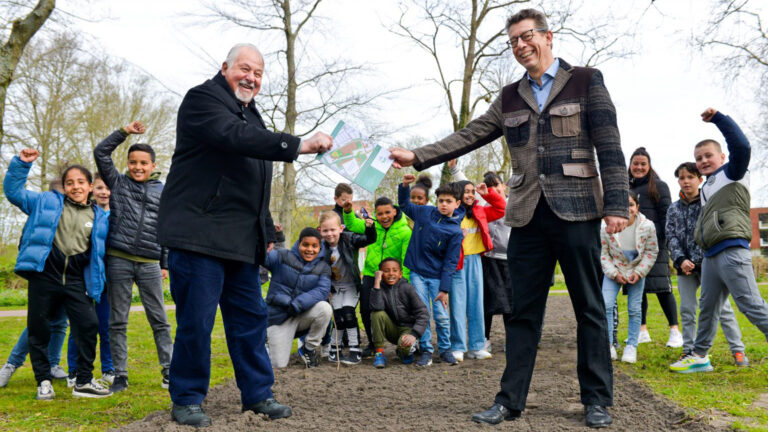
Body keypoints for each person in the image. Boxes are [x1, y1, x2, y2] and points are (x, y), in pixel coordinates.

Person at [389, 8, 628, 428]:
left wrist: (617, 205)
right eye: (513, 40)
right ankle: (510, 401)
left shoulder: (587, 80)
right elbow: (470, 134)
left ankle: (596, 400)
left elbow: (609, 146)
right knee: (522, 313)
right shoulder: (510, 96)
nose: (520, 45)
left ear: (548, 36)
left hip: (577, 211)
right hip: (527, 216)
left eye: (526, 36)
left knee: (589, 308)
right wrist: (418, 155)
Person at [157, 43, 332, 427]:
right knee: (197, 322)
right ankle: (187, 398)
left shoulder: (250, 114)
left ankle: (257, 394)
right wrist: (298, 145)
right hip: (199, 235)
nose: (251, 78)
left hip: (239, 241)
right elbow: (233, 137)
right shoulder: (202, 100)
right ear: (225, 68)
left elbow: (251, 179)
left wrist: (265, 228)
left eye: (258, 73)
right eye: (245, 69)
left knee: (251, 320)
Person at [4, 149, 111, 400]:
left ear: (90, 186)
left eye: (81, 182)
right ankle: (43, 381)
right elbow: (13, 192)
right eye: (70, 183)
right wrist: (21, 164)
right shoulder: (46, 202)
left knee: (89, 324)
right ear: (64, 187)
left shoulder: (99, 216)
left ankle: (83, 381)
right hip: (45, 276)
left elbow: (98, 252)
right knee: (39, 329)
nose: (75, 187)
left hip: (75, 280)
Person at [670, 108, 767, 373]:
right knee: (708, 308)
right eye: (698, 158)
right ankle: (700, 356)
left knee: (750, 304)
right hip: (710, 255)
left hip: (732, 249)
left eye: (708, 155)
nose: (703, 160)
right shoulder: (707, 187)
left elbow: (742, 146)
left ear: (722, 156)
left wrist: (719, 119)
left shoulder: (733, 172)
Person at [93, 121, 173, 393]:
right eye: (133, 162)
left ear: (153, 165)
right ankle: (120, 375)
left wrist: (164, 263)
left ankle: (169, 370)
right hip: (119, 260)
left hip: (150, 263)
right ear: (127, 164)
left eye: (143, 163)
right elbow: (101, 152)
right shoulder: (118, 183)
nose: (138, 167)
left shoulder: (163, 191)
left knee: (159, 319)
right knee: (118, 320)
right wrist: (124, 132)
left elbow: (165, 229)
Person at [665, 162, 747, 365]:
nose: (686, 181)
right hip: (684, 268)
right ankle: (689, 350)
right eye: (682, 178)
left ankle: (738, 350)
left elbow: (712, 230)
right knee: (687, 309)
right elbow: (670, 236)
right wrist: (681, 260)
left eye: (690, 177)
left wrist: (700, 257)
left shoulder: (708, 202)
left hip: (709, 263)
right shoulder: (673, 209)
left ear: (700, 179)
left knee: (723, 309)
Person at [398, 175, 464, 367]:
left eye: (448, 201)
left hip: (437, 278)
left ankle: (445, 350)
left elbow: (451, 262)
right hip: (418, 273)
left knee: (441, 316)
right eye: (441, 200)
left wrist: (444, 289)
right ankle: (426, 350)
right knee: (422, 313)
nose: (444, 204)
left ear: (457, 203)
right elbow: (405, 205)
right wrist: (404, 186)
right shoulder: (425, 212)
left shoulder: (456, 232)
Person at [342, 196, 412, 358]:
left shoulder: (405, 231)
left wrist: (404, 280)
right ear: (375, 214)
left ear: (394, 211)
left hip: (392, 277)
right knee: (365, 309)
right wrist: (348, 211)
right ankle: (373, 344)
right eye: (380, 214)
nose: (384, 217)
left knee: (395, 310)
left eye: (387, 212)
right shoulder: (371, 225)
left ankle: (405, 341)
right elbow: (352, 224)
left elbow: (406, 259)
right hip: (370, 274)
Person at [627, 147, 682, 348]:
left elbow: (667, 217)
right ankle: (642, 331)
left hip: (655, 246)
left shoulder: (659, 186)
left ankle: (675, 331)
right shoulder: (626, 188)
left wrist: (658, 240)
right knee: (637, 288)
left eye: (643, 164)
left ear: (649, 166)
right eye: (635, 163)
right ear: (630, 165)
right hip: (631, 247)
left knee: (662, 288)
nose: (639, 167)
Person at [66, 173, 116, 387]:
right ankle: (74, 371)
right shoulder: (87, 213)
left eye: (108, 188)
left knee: (106, 326)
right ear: (92, 189)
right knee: (80, 326)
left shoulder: (118, 215)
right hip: (84, 276)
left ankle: (108, 368)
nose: (104, 192)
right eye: (100, 188)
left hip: (108, 279)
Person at [449, 179, 506, 362]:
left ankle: (477, 346)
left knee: (476, 304)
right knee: (458, 306)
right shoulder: (450, 213)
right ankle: (457, 346)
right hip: (457, 264)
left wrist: (487, 194)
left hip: (475, 261)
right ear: (458, 194)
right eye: (467, 191)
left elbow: (501, 208)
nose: (471, 195)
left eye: (472, 191)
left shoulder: (480, 210)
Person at [601, 192, 658, 364]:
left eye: (631, 204)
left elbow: (651, 251)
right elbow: (603, 254)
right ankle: (608, 344)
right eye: (623, 205)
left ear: (637, 207)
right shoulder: (606, 227)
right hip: (615, 270)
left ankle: (632, 345)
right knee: (606, 304)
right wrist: (614, 274)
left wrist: (639, 272)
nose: (627, 209)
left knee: (634, 309)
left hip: (636, 271)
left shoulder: (648, 226)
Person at [264, 228, 333, 369]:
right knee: (278, 365)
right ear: (298, 244)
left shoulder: (323, 267)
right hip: (278, 318)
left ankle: (309, 348)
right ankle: (266, 339)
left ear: (320, 247)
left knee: (325, 309)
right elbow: (264, 258)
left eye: (314, 246)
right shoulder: (283, 256)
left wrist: (297, 304)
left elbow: (322, 290)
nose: (310, 249)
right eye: (305, 245)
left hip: (302, 314)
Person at [318, 211, 376, 365]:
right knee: (338, 318)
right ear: (320, 231)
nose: (330, 234)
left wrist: (370, 227)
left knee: (349, 315)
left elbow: (369, 239)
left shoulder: (349, 239)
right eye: (325, 230)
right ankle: (334, 349)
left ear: (341, 228)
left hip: (351, 286)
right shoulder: (320, 247)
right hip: (334, 288)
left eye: (333, 230)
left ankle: (354, 349)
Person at [370, 259, 430, 368]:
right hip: (392, 329)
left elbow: (423, 313)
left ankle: (403, 351)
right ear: (381, 274)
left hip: (407, 330)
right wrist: (377, 282)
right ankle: (379, 354)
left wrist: (414, 334)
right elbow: (376, 307)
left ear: (400, 274)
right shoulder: (379, 288)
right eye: (386, 271)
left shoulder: (407, 288)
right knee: (376, 314)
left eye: (394, 270)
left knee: (405, 352)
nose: (391, 273)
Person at [480, 172, 511, 353]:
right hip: (488, 260)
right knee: (487, 302)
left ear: (504, 186)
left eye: (496, 185)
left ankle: (511, 339)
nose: (494, 190)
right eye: (489, 187)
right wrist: (453, 169)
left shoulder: (513, 203)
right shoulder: (483, 205)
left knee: (510, 303)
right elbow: (465, 187)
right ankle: (484, 338)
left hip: (508, 260)